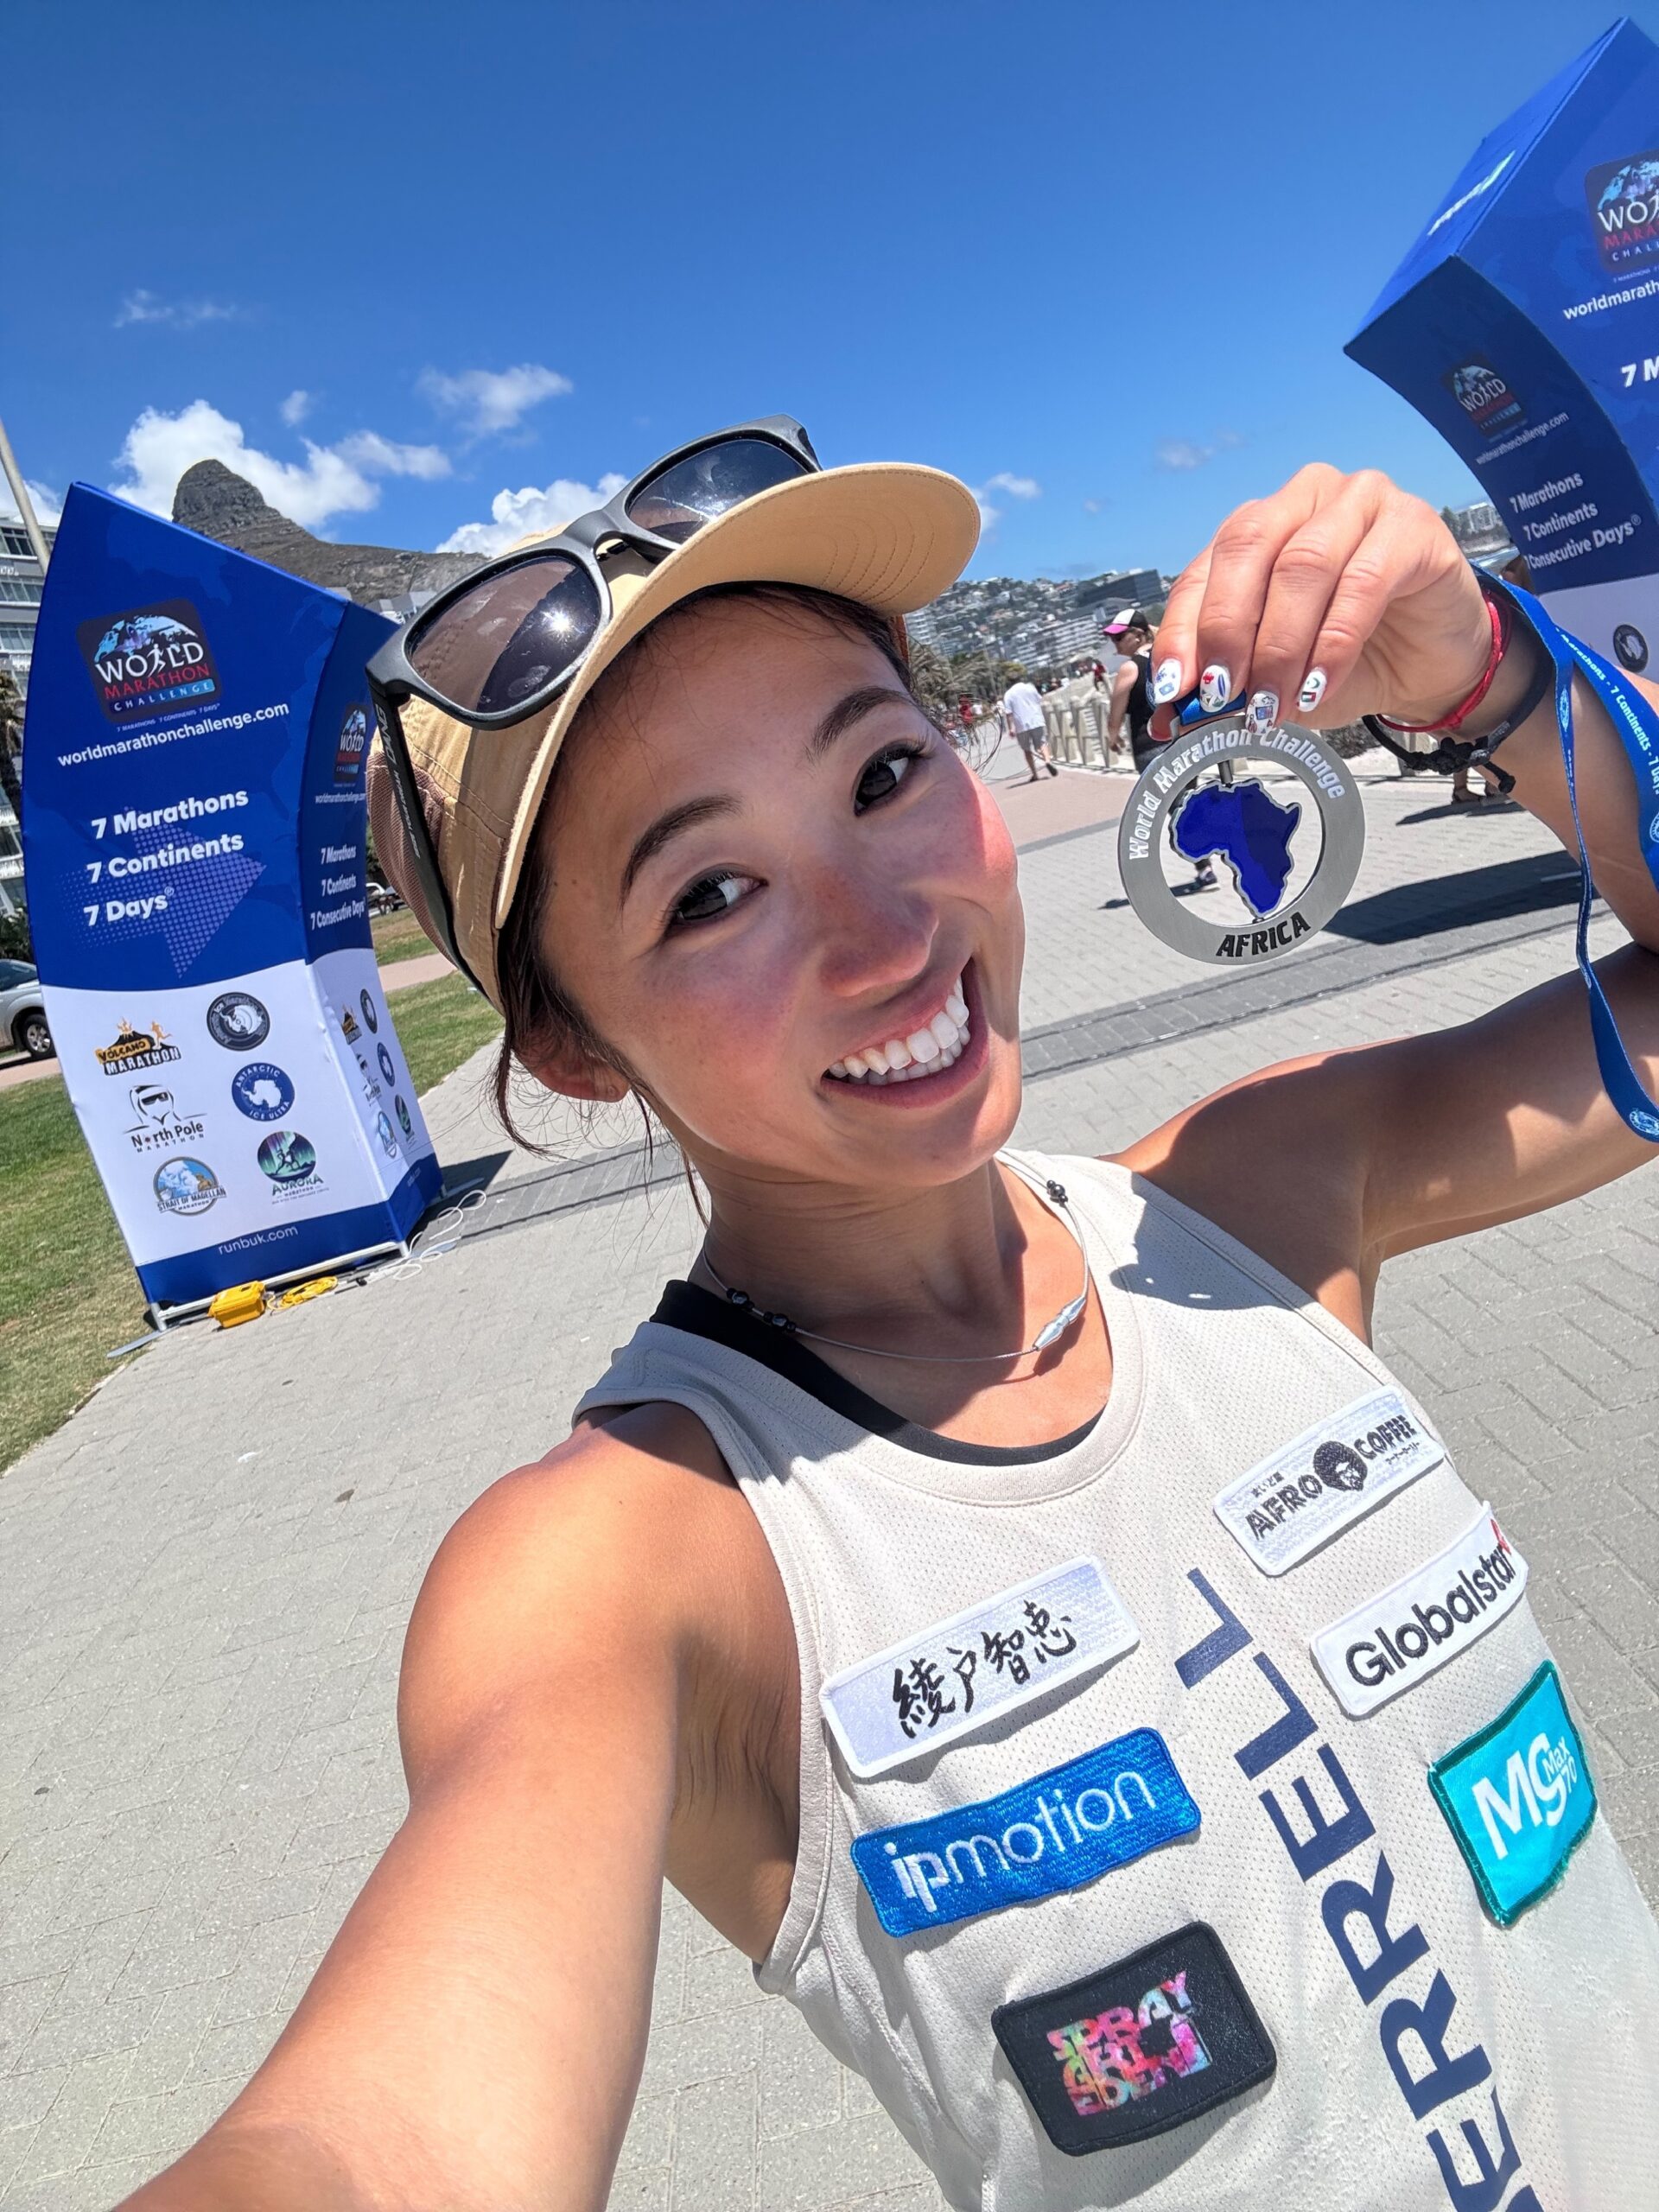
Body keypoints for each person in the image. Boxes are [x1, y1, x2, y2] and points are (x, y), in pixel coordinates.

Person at [124, 441, 1659, 2212]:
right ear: (570, 1047)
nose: (884, 935)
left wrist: (1497, 680)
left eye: (881, 772)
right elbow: (374, 2141)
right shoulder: (635, 1558)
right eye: (708, 893)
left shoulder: (1264, 1193)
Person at [1106, 607, 1215, 886]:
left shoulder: (1130, 668)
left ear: (1137, 635)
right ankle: (1209, 853)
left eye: (1118, 637)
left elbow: (1115, 713)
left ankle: (1205, 862)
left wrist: (1112, 737)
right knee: (1187, 800)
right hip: (1184, 740)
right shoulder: (1169, 658)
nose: (1114, 643)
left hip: (1150, 747)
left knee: (1177, 807)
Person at [1001, 668, 1058, 779]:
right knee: (1042, 743)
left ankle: (1035, 774)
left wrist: (1011, 728)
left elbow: (1008, 713)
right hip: (1036, 720)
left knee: (1027, 750)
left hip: (1021, 725)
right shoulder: (1030, 687)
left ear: (1009, 682)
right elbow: (1039, 700)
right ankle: (1047, 761)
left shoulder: (1008, 694)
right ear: (1020, 679)